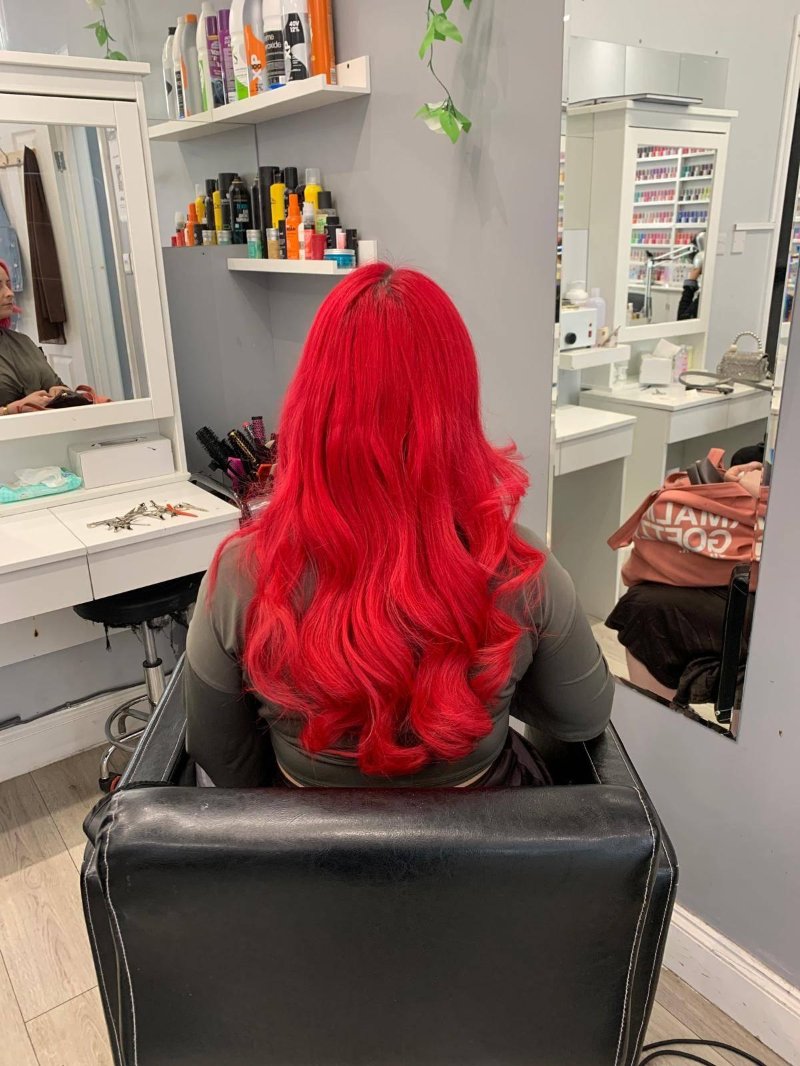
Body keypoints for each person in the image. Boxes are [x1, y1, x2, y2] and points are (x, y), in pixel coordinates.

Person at [184, 264, 614, 788]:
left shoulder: (239, 574)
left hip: (301, 836)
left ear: (312, 406)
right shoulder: (522, 570)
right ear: (456, 410)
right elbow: (583, 716)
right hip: (483, 837)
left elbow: (222, 758)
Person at [0, 259, 71, 415]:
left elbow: (58, 385)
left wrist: (59, 392)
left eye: (8, 284)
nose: (10, 293)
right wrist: (9, 410)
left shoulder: (23, 342)